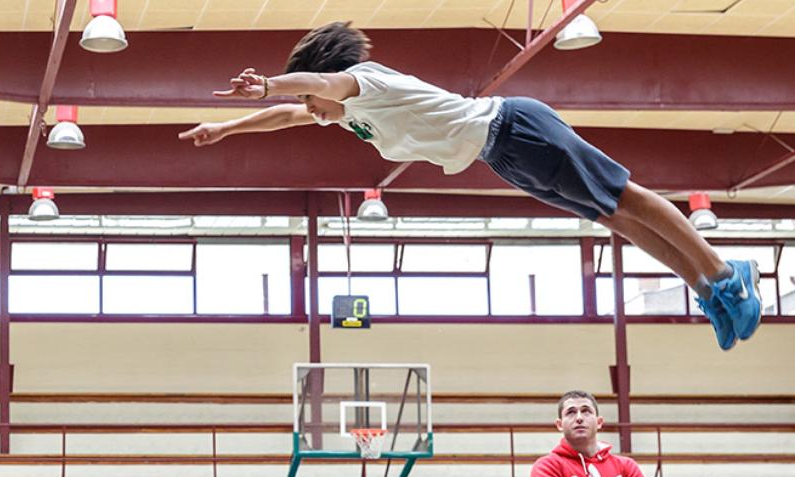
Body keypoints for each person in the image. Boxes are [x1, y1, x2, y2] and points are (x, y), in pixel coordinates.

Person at [179, 20, 761, 350]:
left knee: (625, 197)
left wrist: (269, 84)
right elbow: (290, 115)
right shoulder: (351, 114)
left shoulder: (363, 83)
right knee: (613, 217)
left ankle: (725, 271)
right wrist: (226, 128)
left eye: (312, 99)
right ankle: (706, 288)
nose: (312, 111)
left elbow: (313, 90)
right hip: (501, 155)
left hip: (516, 128)